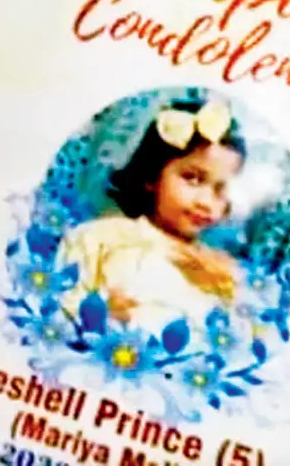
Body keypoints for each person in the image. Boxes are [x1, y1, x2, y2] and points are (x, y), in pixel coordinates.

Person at [57, 98, 250, 336]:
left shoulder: (220, 270)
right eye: (192, 179)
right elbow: (59, 308)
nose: (206, 202)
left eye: (220, 190)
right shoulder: (99, 238)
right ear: (152, 175)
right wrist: (101, 314)